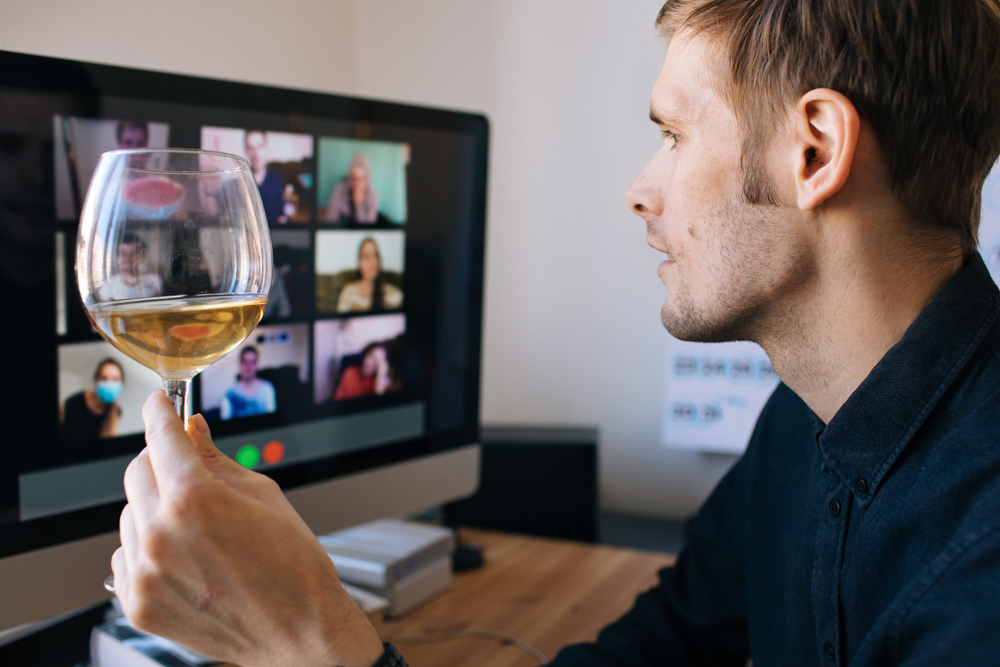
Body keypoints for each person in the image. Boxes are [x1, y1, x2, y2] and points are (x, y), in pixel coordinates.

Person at [110, 1, 1000, 666]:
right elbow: (663, 646)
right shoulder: (808, 418)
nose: (641, 188)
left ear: (813, 151)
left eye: (675, 134)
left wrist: (310, 638)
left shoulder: (978, 575)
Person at [60, 358, 124, 443]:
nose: (110, 384)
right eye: (104, 378)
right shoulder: (71, 404)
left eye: (115, 379)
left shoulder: (116, 411)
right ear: (96, 380)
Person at [336, 238, 404, 312]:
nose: (373, 261)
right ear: (359, 263)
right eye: (366, 256)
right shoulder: (348, 292)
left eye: (375, 255)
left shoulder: (394, 295)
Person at [96, 233, 163, 301]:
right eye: (123, 253)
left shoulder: (154, 279)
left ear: (143, 255)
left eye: (133, 253)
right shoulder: (108, 284)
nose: (127, 258)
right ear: (117, 257)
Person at [323, 152, 383, 224]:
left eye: (362, 179)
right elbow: (330, 219)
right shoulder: (339, 189)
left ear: (367, 179)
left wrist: (358, 205)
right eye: (354, 178)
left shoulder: (374, 195)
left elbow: (368, 227)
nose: (357, 183)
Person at [220, 346, 277, 419]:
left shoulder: (267, 389)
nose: (249, 366)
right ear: (240, 364)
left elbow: (272, 420)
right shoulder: (229, 394)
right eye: (245, 362)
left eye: (252, 362)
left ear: (257, 365)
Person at [245, 130, 287, 224]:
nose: (255, 153)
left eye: (259, 147)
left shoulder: (277, 179)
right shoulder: (241, 181)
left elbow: (281, 213)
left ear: (266, 147)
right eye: (251, 148)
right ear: (246, 150)